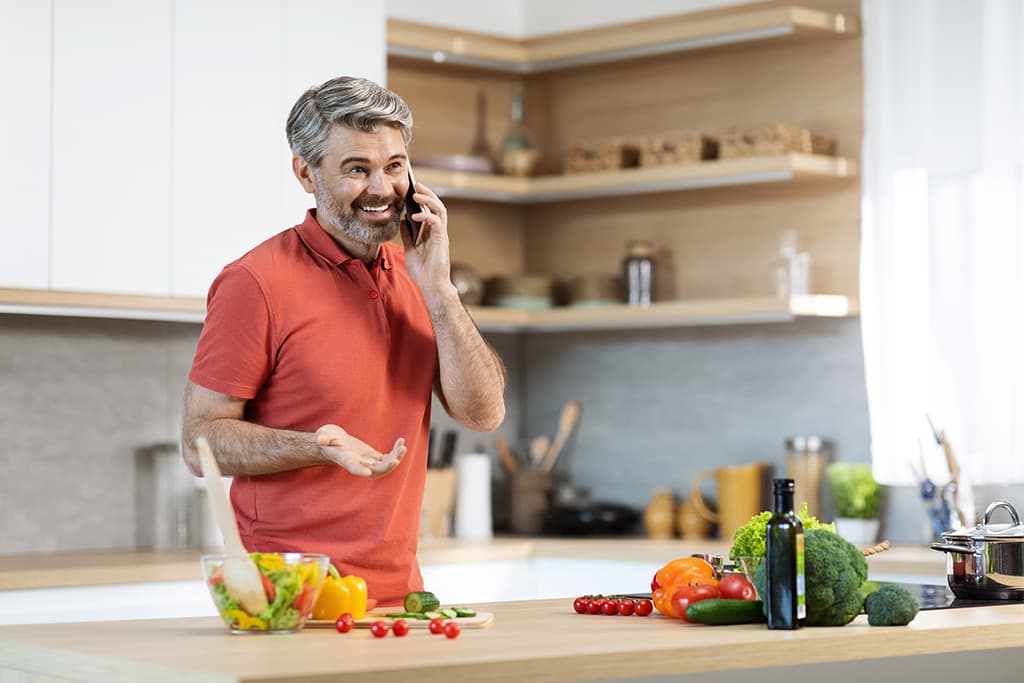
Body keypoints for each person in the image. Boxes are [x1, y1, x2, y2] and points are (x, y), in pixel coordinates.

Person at [180, 76, 507, 605]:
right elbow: (200, 442)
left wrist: (440, 291)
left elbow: (484, 414)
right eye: (357, 169)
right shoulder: (255, 282)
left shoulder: (420, 277)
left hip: (401, 595)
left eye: (395, 166)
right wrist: (314, 447)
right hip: (286, 594)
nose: (382, 188)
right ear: (306, 173)